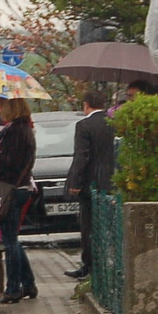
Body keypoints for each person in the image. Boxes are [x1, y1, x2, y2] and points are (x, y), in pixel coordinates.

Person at [65, 89, 117, 280]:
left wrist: (75, 182)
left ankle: (89, 265)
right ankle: (105, 264)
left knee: (88, 226)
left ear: (86, 104)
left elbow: (82, 156)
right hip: (110, 181)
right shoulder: (113, 123)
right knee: (107, 226)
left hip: (90, 184)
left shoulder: (84, 125)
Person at [0, 98, 38, 303]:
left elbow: (11, 163)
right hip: (22, 187)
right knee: (13, 240)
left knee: (9, 242)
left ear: (12, 108)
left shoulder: (15, 131)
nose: (0, 110)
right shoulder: (25, 130)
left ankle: (13, 289)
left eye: (3, 107)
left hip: (12, 189)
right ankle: (28, 284)